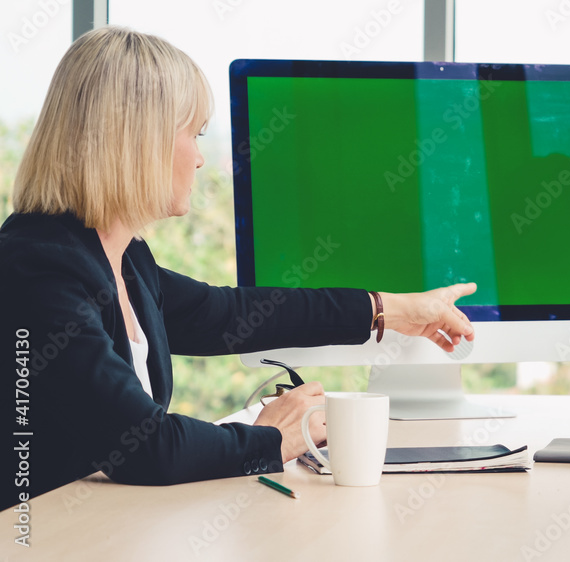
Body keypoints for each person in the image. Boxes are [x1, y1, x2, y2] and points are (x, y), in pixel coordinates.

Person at [1, 26, 477, 510]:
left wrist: (389, 310)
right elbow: (144, 446)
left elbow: (228, 314)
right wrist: (270, 438)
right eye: (192, 133)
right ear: (137, 140)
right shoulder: (38, 271)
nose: (200, 158)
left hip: (101, 526)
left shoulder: (122, 260)